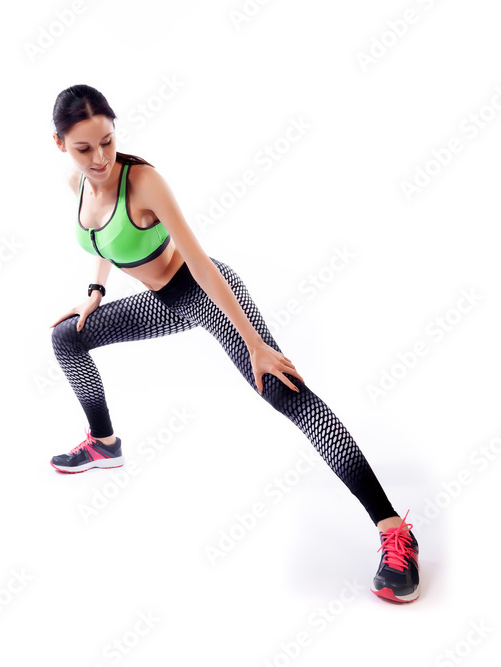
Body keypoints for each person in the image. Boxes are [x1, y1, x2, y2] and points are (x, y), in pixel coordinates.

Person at [48, 84, 420, 603]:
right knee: (66, 338)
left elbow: (198, 261)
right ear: (60, 143)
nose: (101, 157)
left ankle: (393, 531)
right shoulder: (79, 183)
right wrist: (95, 290)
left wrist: (255, 345)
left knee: (285, 392)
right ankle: (104, 444)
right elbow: (100, 239)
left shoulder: (144, 182)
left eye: (107, 142)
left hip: (204, 292)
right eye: (85, 148)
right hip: (162, 303)